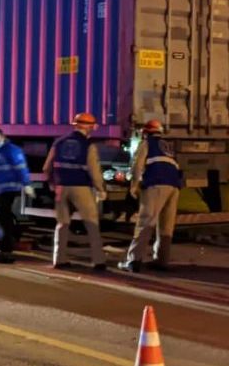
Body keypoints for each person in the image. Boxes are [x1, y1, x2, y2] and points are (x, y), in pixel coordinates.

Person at [44, 113, 107, 270]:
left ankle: (59, 260)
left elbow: (46, 167)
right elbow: (94, 171)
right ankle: (98, 261)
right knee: (91, 223)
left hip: (61, 187)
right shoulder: (88, 145)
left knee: (62, 224)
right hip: (81, 188)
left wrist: (52, 183)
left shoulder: (58, 142)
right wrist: (100, 189)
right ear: (89, 126)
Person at [118, 120, 182, 272]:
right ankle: (162, 260)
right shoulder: (167, 147)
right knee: (166, 226)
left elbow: (137, 167)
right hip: (174, 187)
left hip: (156, 185)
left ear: (146, 133)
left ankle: (133, 261)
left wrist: (133, 187)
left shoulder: (146, 144)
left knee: (145, 222)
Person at [0, 128, 33, 264]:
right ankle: (4, 246)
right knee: (3, 217)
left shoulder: (12, 150)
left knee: (4, 218)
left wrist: (26, 184)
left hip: (9, 188)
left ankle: (6, 248)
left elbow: (21, 167)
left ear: (3, 138)